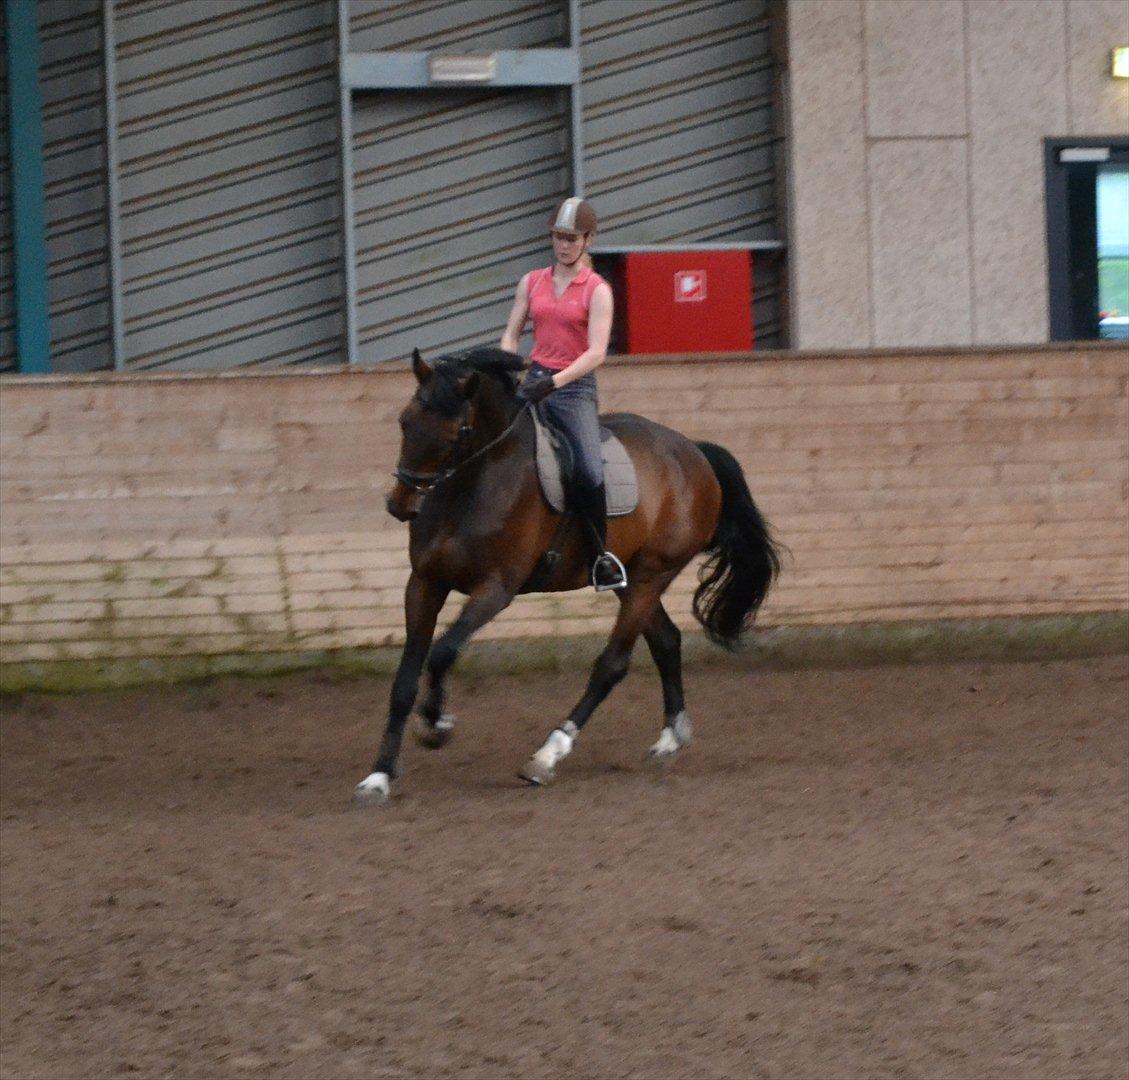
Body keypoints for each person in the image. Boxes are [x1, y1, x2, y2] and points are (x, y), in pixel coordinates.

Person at [500, 197, 628, 591]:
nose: (563, 246)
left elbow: (597, 352)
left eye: (571, 239)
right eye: (558, 237)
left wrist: (554, 383)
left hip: (573, 390)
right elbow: (512, 333)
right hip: (534, 379)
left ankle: (601, 557)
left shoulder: (597, 290)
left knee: (588, 470)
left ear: (587, 240)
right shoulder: (532, 281)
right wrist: (507, 368)